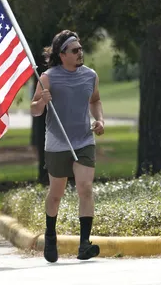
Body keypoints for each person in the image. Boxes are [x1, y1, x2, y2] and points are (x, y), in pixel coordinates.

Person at [30, 29, 105, 263]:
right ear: (62, 54)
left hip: (83, 141)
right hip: (57, 143)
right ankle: (50, 236)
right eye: (75, 50)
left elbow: (95, 100)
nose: (80, 52)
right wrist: (42, 100)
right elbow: (34, 110)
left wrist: (99, 119)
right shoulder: (47, 78)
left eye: (81, 49)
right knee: (56, 194)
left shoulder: (90, 75)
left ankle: (84, 244)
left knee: (85, 188)